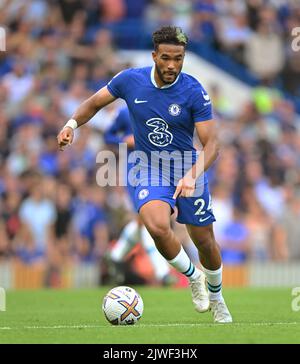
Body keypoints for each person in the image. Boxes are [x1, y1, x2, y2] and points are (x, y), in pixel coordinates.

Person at [57, 26, 232, 323]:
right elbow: (94, 103)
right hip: (147, 167)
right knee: (156, 226)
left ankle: (217, 298)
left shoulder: (193, 91)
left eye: (178, 58)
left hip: (186, 166)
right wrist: (72, 125)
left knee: (205, 241)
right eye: (166, 58)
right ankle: (192, 277)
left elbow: (212, 144)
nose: (172, 65)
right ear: (154, 56)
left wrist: (191, 175)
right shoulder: (130, 81)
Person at [104, 106, 174, 285]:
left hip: (159, 169)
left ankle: (115, 255)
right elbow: (108, 135)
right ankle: (162, 272)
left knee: (143, 221)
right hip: (135, 170)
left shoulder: (160, 108)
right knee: (146, 220)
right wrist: (123, 140)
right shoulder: (125, 112)